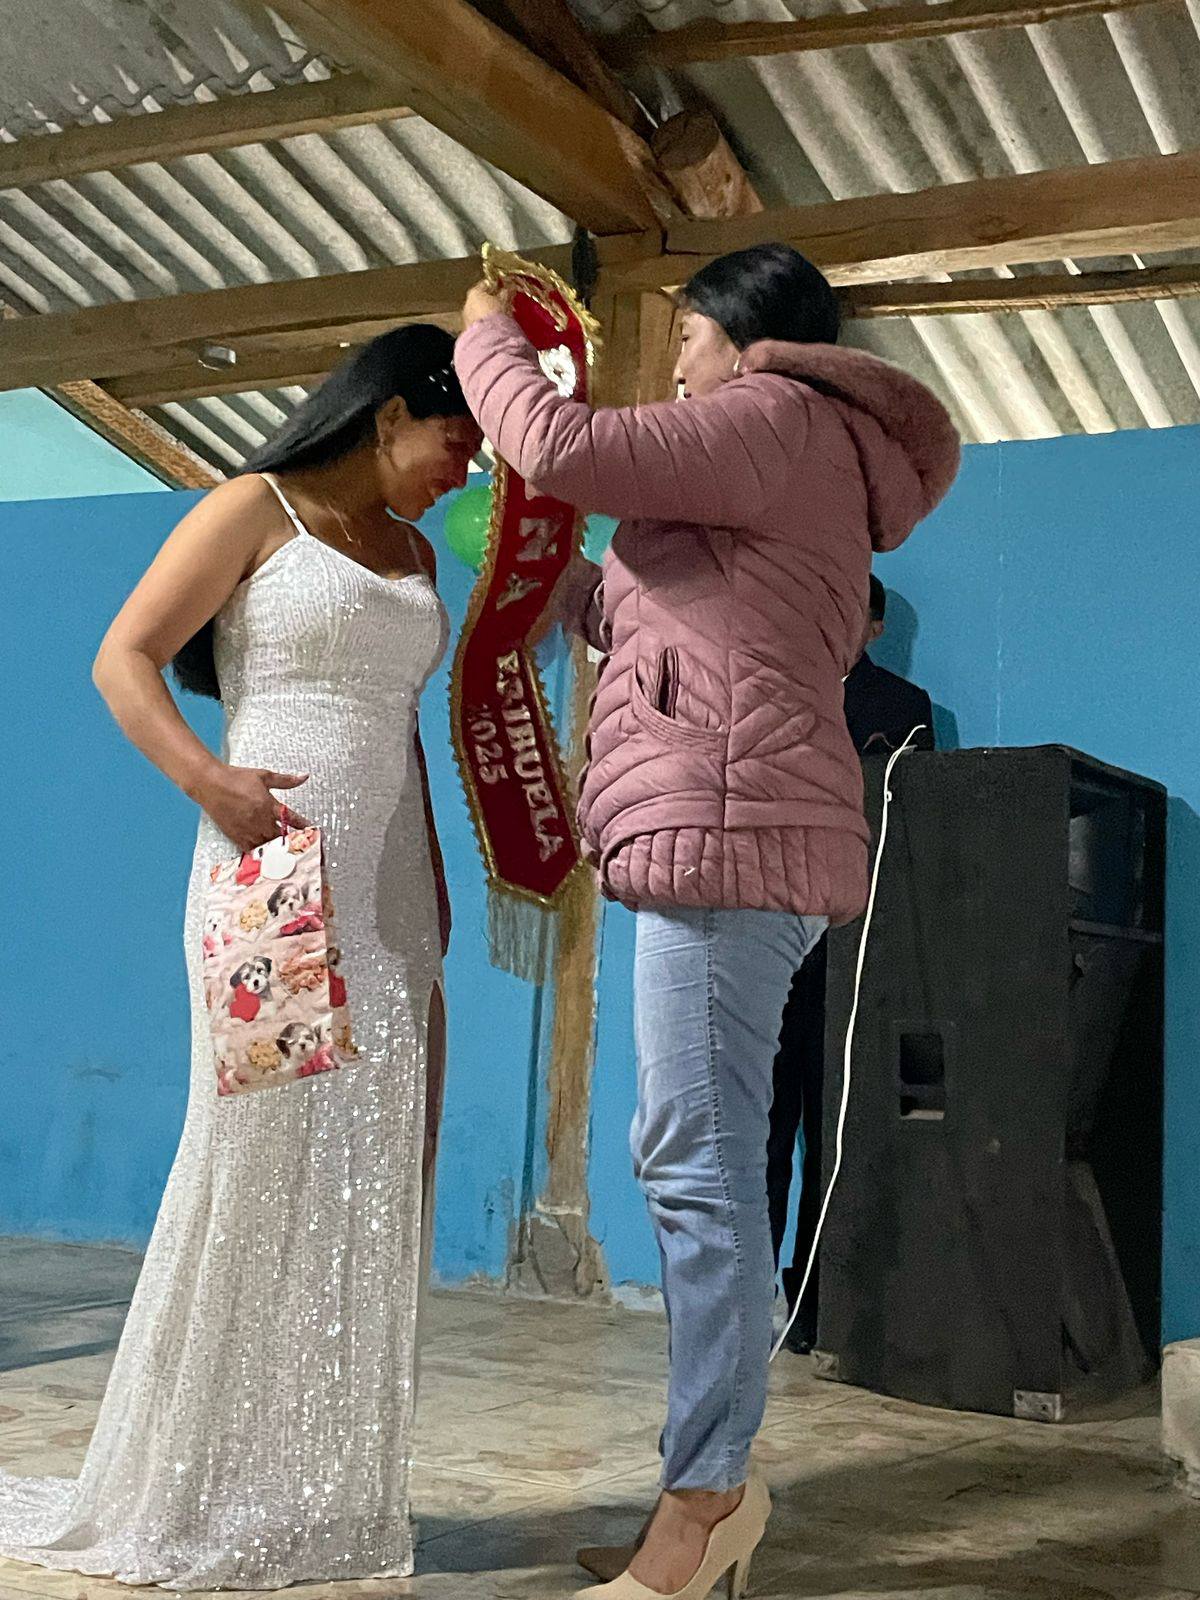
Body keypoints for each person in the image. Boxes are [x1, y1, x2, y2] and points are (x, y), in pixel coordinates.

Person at [455, 244, 959, 1600]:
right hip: (724, 829)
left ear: (742, 334)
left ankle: (708, 1501)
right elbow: (663, 624)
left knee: (702, 1169)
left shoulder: (775, 416)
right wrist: (541, 572)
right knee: (695, 1156)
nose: (674, 363)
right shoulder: (776, 458)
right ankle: (702, 1487)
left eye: (683, 336)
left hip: (731, 834)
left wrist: (484, 337)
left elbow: (562, 442)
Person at [0, 327, 481, 1589]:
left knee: (372, 1176)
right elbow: (124, 655)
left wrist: (431, 887)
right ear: (388, 414)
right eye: (456, 440)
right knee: (255, 1161)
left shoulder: (419, 555)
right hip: (268, 873)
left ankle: (320, 1492)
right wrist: (209, 781)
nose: (466, 470)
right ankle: (190, 1484)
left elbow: (401, 733)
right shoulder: (252, 508)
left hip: (389, 891)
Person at [768, 573, 936, 1355]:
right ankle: (746, 1294)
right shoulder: (774, 689)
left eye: (851, 614)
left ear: (874, 629)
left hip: (855, 951)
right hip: (773, 944)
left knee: (832, 1135)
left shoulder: (904, 708)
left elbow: (918, 824)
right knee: (762, 1131)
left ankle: (814, 1304)